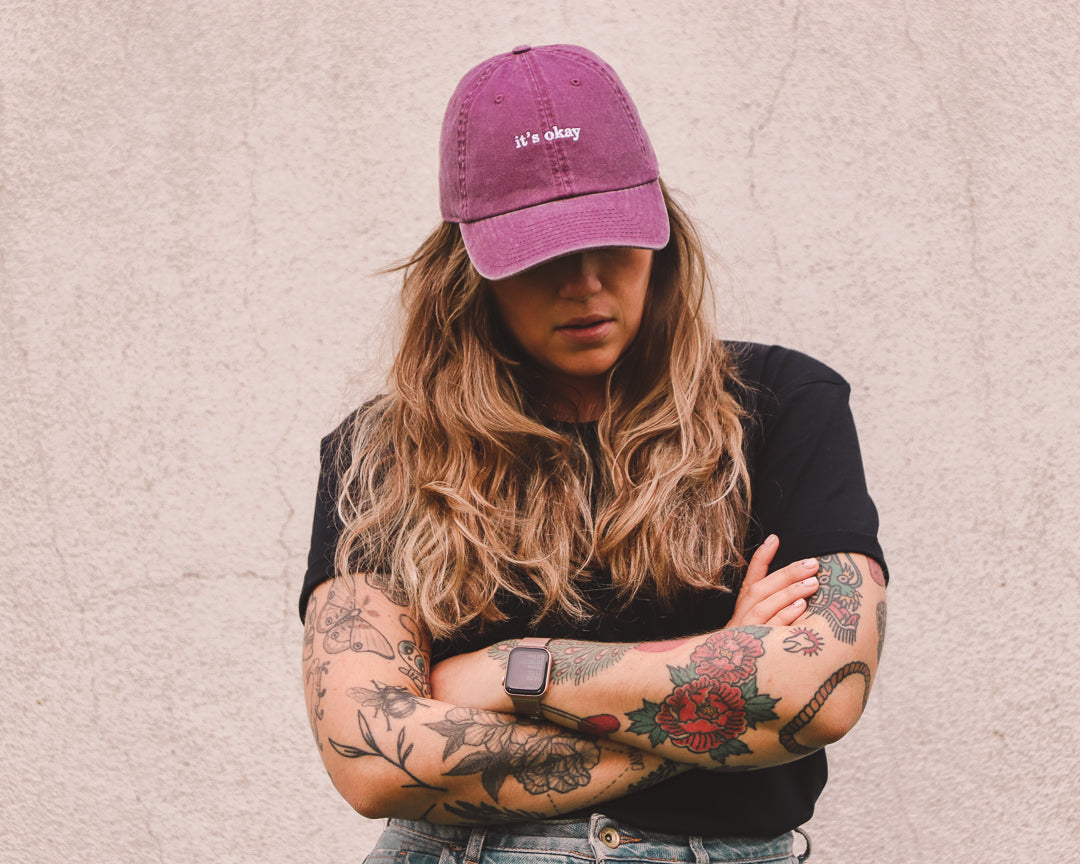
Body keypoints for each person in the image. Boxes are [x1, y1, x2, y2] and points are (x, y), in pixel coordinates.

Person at [300, 43, 887, 864]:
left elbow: (820, 689)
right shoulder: (383, 454)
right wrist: (722, 689)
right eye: (540, 253)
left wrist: (517, 671)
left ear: (661, 234)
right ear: (467, 267)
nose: (583, 282)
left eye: (610, 238)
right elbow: (370, 759)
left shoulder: (780, 406)